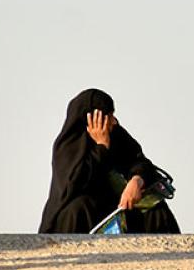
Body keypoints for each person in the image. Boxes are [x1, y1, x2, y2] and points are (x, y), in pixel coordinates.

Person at [38, 88, 180, 234]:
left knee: (155, 208)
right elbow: (73, 185)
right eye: (108, 117)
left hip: (115, 207)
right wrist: (102, 147)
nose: (113, 121)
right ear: (91, 119)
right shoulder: (67, 146)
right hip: (81, 215)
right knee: (79, 207)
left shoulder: (117, 135)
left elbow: (141, 162)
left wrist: (137, 180)